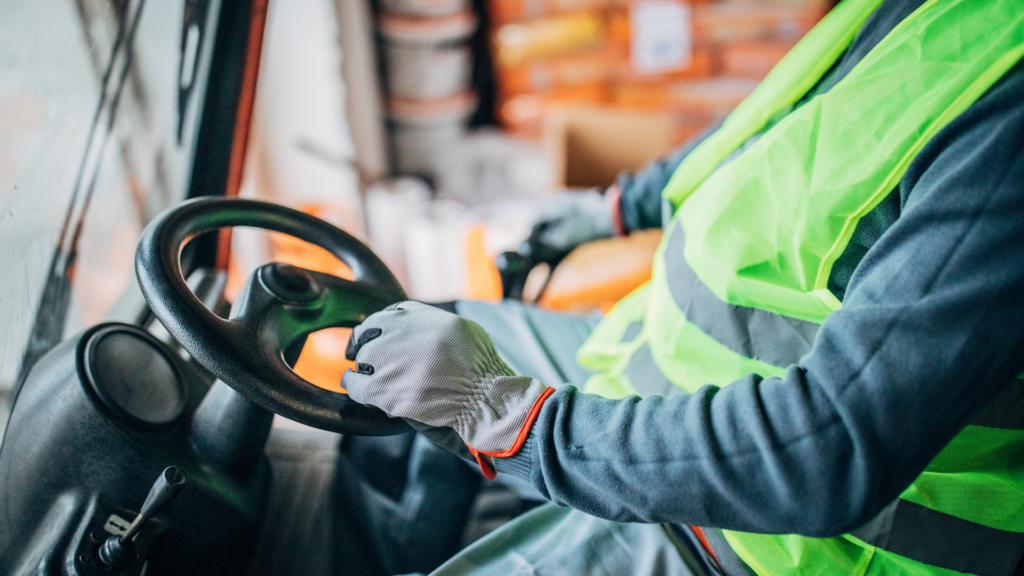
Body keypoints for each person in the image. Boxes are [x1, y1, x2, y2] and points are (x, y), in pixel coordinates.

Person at [341, 0, 1024, 573]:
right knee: (414, 344)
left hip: (778, 533)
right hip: (654, 358)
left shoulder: (1010, 127)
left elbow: (827, 450)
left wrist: (511, 420)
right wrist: (620, 205)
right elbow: (773, 127)